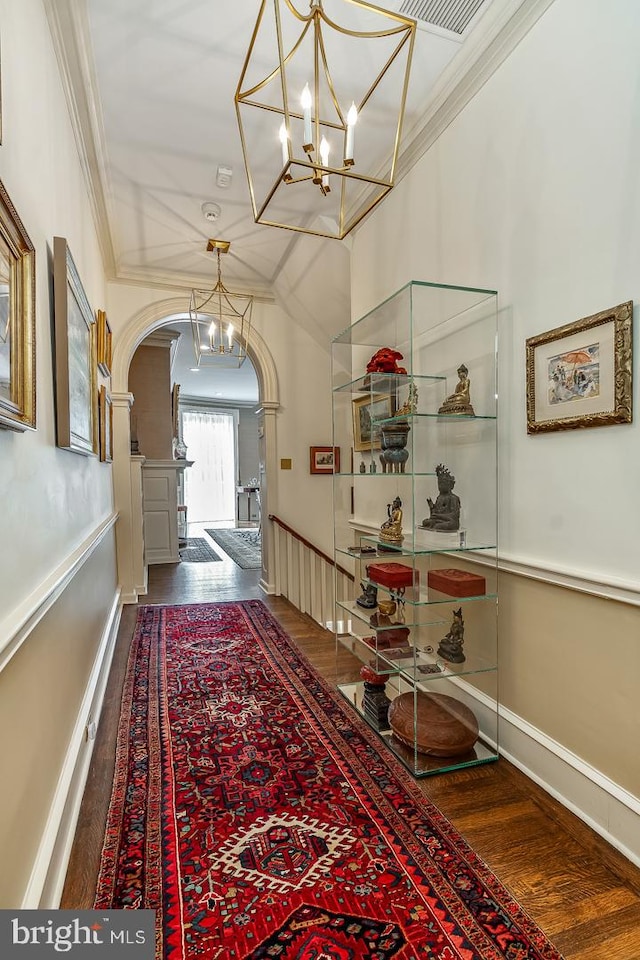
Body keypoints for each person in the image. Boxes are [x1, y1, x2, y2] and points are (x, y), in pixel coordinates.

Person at [421, 464, 460, 531]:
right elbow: (434, 513)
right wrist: (432, 507)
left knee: (438, 526)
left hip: (448, 521)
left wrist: (439, 516)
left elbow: (454, 516)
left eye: (443, 483)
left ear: (450, 485)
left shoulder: (453, 498)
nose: (440, 486)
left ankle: (435, 526)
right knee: (425, 522)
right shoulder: (439, 497)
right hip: (438, 520)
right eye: (439, 483)